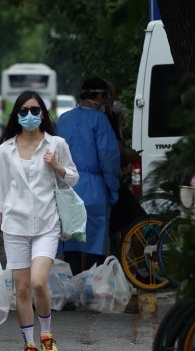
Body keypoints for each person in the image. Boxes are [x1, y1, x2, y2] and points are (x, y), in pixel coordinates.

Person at [0, 90, 79, 351]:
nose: (29, 116)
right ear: (16, 115)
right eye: (23, 111)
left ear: (43, 113)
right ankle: (29, 345)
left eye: (35, 110)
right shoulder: (5, 149)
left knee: (38, 282)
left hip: (47, 225)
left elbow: (73, 178)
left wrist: (57, 166)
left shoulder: (56, 144)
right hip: (14, 226)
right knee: (22, 288)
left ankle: (47, 335)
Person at [55, 78, 120, 276]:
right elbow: (108, 157)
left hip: (66, 187)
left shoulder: (64, 119)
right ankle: (92, 287)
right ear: (100, 97)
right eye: (105, 98)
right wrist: (113, 186)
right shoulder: (100, 120)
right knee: (95, 241)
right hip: (93, 189)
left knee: (71, 242)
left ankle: (73, 287)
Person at [103, 80, 146, 257]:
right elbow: (118, 150)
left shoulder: (80, 119)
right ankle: (143, 268)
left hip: (98, 183)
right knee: (136, 219)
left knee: (112, 228)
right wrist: (130, 156)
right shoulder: (109, 118)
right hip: (109, 182)